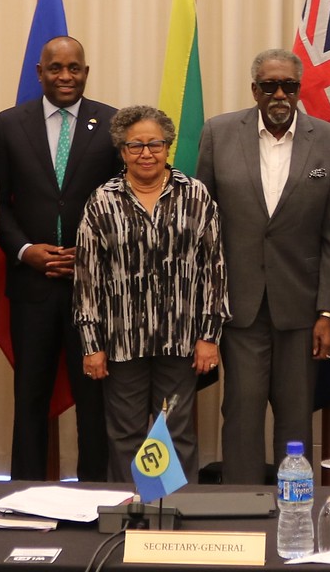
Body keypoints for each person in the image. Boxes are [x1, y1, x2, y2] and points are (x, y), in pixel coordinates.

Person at [194, 49, 330, 484]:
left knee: (296, 418)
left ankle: (293, 506)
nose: (279, 94)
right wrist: (207, 308)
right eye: (269, 85)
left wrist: (328, 312)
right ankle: (240, 509)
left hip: (302, 308)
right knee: (241, 413)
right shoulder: (219, 133)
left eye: (289, 86)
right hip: (239, 305)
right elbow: (202, 226)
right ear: (254, 90)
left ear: (299, 90)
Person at [75, 106, 227, 484]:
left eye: (155, 144)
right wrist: (92, 344)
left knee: (175, 434)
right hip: (122, 344)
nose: (146, 153)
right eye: (136, 146)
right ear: (122, 151)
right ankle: (130, 510)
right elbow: (87, 278)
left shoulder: (196, 195)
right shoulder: (102, 201)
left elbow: (215, 269)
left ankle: (177, 510)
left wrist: (209, 337)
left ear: (167, 146)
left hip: (181, 342)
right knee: (125, 435)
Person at [0, 36, 118, 481]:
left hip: (95, 290)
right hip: (32, 286)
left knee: (94, 400)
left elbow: (123, 202)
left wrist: (93, 252)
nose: (66, 76)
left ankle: (94, 494)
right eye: (56, 68)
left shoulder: (112, 123)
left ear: (86, 72)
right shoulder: (9, 124)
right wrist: (25, 250)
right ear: (39, 73)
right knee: (30, 398)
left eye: (74, 68)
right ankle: (24, 494)